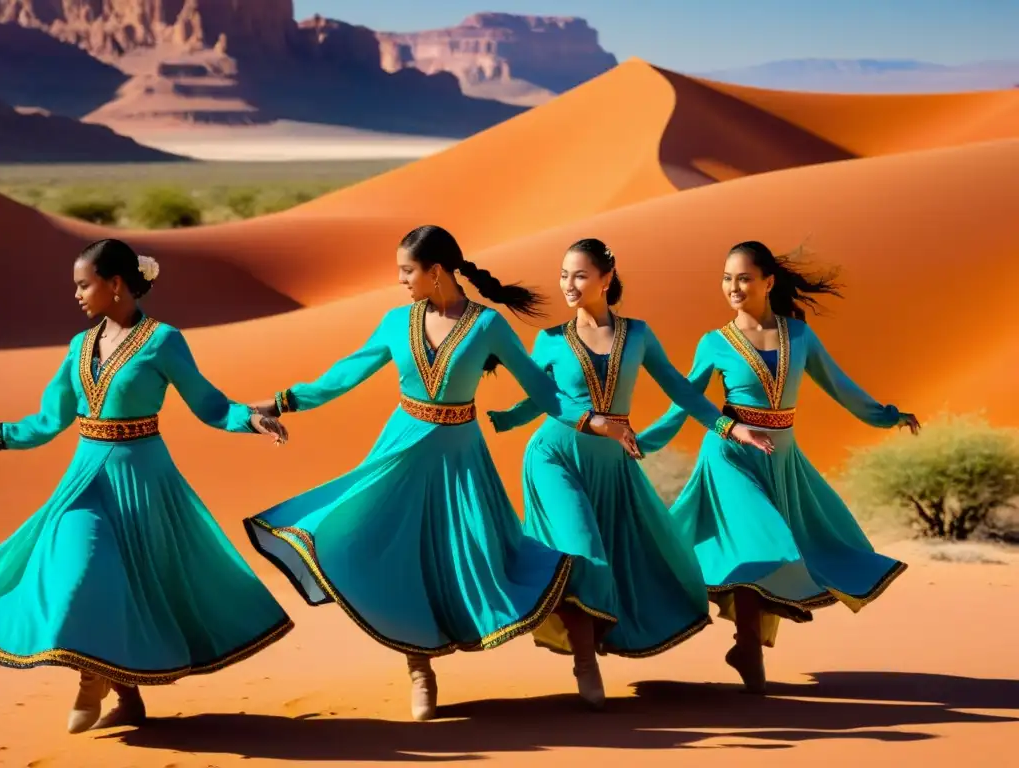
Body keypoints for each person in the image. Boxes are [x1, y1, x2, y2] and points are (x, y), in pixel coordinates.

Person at [244, 225, 640, 722]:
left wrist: (593, 420)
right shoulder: (395, 322)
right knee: (401, 560)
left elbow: (542, 389)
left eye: (407, 271)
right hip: (401, 455)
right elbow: (342, 375)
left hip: (461, 462)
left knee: (504, 560)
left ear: (435, 273)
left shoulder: (488, 326)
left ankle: (584, 656)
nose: (402, 281)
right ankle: (420, 673)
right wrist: (281, 402)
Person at [0, 239, 293, 734]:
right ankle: (95, 677)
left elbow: (210, 405)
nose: (76, 295)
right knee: (81, 574)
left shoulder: (163, 341)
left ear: (115, 285)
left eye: (83, 284)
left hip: (141, 482)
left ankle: (114, 690)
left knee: (122, 585)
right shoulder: (80, 345)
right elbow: (51, 419)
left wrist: (251, 420)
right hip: (84, 481)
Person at [485, 238, 773, 708]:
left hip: (612, 469)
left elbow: (683, 390)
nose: (569, 285)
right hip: (554, 459)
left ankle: (608, 639)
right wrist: (502, 419)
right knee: (581, 552)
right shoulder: (551, 340)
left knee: (645, 558)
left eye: (579, 275)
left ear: (606, 277)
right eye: (563, 275)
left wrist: (729, 427)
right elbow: (539, 395)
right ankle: (585, 661)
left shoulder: (638, 335)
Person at [637, 240, 920, 694]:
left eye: (744, 278)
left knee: (808, 540)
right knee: (759, 540)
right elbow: (684, 403)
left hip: (782, 458)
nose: (733, 287)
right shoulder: (714, 343)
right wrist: (640, 442)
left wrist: (886, 415)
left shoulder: (800, 337)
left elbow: (839, 385)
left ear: (768, 282)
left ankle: (749, 639)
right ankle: (749, 641)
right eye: (727, 278)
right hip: (729, 456)